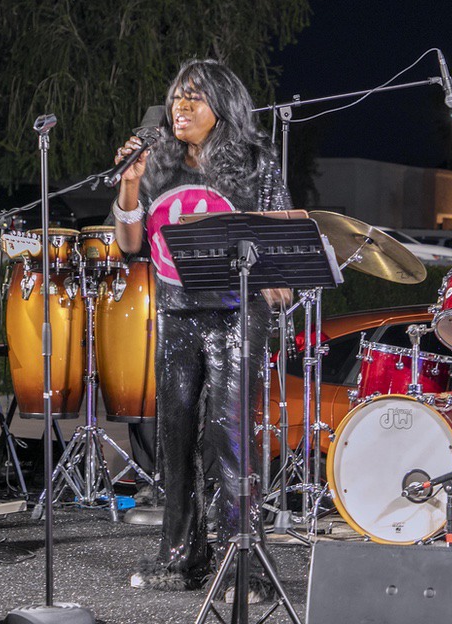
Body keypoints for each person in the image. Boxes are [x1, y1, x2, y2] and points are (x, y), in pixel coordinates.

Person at [112, 59, 291, 597]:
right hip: (177, 313)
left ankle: (244, 564)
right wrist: (129, 186)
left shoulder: (255, 164)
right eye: (177, 96)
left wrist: (277, 280)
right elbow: (130, 245)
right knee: (175, 435)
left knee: (229, 437)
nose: (181, 106)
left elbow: (281, 238)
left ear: (223, 107)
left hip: (237, 312)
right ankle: (181, 555)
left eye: (195, 98)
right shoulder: (158, 162)